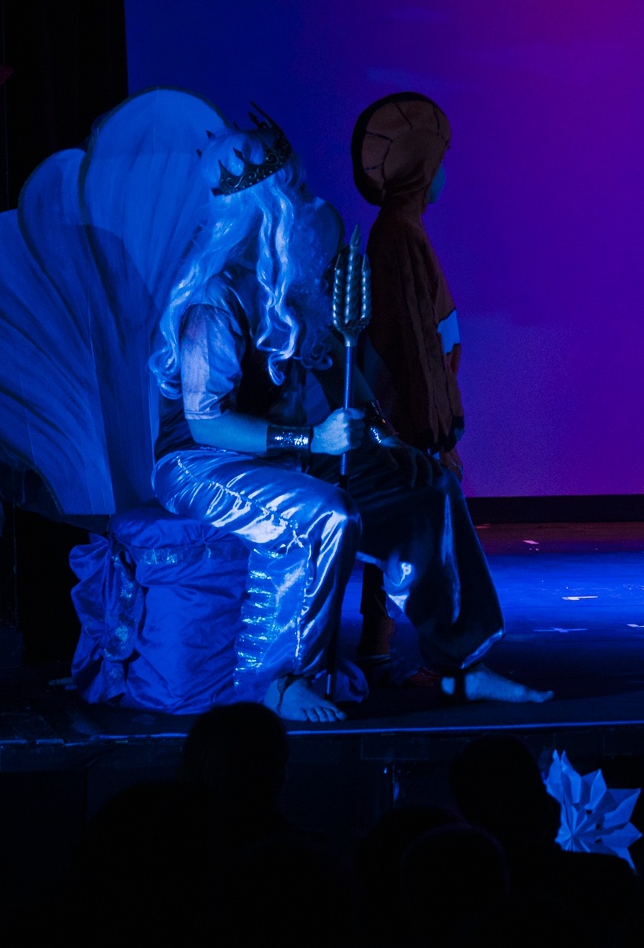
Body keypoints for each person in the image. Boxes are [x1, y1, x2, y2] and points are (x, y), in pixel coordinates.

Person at [149, 113, 548, 721]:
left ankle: (458, 665)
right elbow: (207, 424)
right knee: (328, 513)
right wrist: (313, 438)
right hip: (202, 464)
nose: (307, 202)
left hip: (282, 455)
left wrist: (385, 441)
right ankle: (282, 679)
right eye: (295, 190)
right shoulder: (215, 298)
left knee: (428, 488)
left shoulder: (288, 285)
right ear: (269, 207)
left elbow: (337, 369)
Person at [349, 92, 464, 683]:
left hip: (411, 411)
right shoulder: (399, 237)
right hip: (407, 413)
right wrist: (434, 432)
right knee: (427, 528)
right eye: (438, 163)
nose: (443, 175)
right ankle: (448, 652)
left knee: (408, 530)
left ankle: (384, 640)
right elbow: (415, 342)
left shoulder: (404, 231)